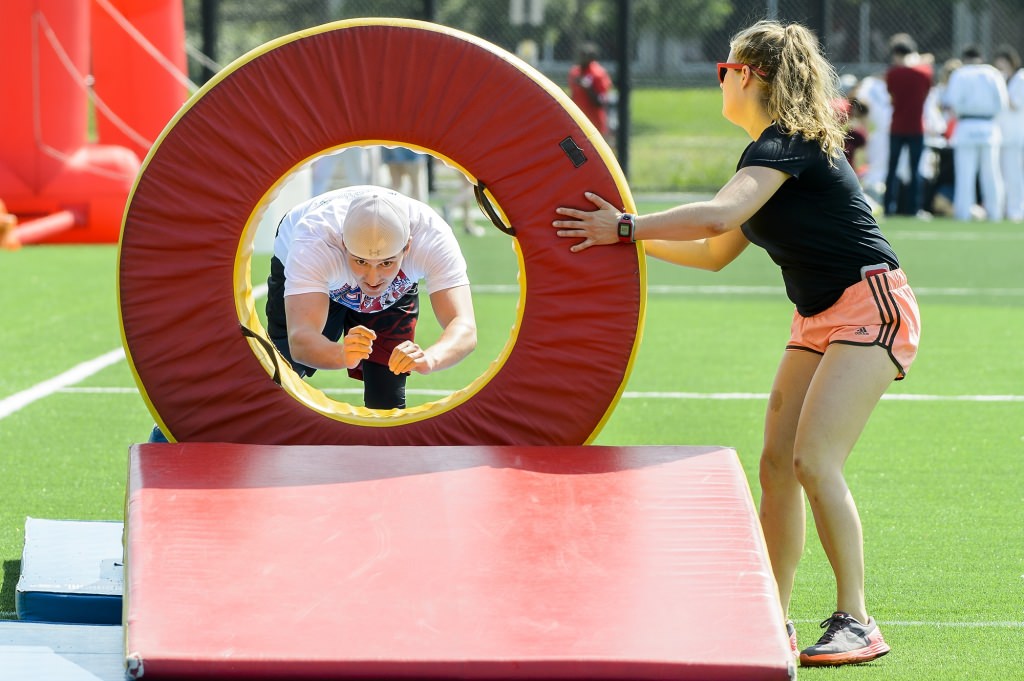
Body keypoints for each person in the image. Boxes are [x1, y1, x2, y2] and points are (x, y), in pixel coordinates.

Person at [553, 19, 920, 668]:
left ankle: (856, 618)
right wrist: (617, 240)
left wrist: (628, 224)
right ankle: (768, 616)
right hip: (819, 316)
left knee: (813, 460)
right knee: (776, 464)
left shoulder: (788, 143)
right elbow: (715, 252)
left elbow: (720, 216)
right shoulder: (767, 155)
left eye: (725, 70)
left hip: (871, 304)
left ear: (748, 76)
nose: (721, 79)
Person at [266, 186, 476, 410]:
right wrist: (341, 354)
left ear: (407, 248)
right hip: (320, 268)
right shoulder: (313, 241)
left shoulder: (432, 236)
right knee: (281, 368)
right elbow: (300, 340)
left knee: (387, 398)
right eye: (361, 261)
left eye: (386, 263)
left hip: (390, 287)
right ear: (344, 244)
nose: (373, 279)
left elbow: (464, 325)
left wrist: (431, 359)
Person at [941, 45, 1009, 221]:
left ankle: (963, 213)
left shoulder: (960, 74)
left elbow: (951, 101)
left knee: (965, 174)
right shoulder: (993, 73)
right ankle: (995, 214)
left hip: (966, 124)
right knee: (991, 173)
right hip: (989, 125)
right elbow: (1002, 102)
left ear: (964, 59)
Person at [883, 33, 933, 217]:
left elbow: (891, 93)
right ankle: (914, 209)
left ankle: (889, 207)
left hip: (897, 127)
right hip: (916, 128)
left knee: (892, 169)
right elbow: (927, 87)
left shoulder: (892, 74)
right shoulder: (924, 72)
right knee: (915, 170)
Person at [994, 45, 1024, 222]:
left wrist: (1001, 87)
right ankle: (1006, 208)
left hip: (1015, 136)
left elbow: (1015, 104)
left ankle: (1016, 210)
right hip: (1003, 136)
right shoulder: (1004, 80)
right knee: (1003, 175)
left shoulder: (1020, 78)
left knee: (1014, 175)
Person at [568, 42, 614, 143]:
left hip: (595, 123)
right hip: (577, 122)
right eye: (581, 55)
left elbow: (601, 102)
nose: (582, 58)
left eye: (585, 56)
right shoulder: (574, 72)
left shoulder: (599, 73)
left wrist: (588, 88)